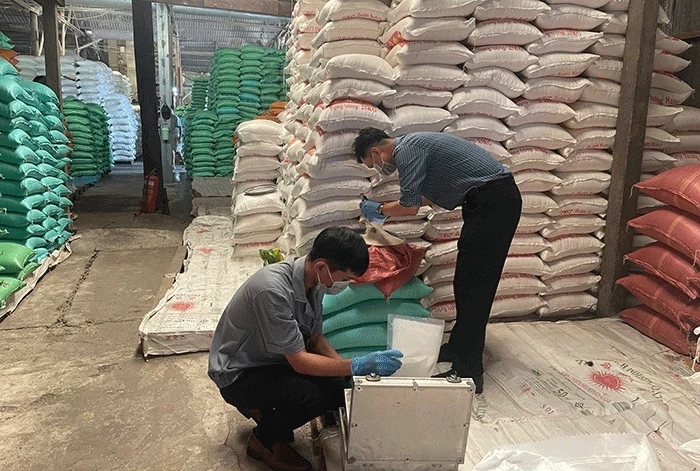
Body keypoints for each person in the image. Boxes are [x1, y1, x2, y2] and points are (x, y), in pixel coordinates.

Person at [208, 226, 404, 471]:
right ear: (322, 266)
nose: (343, 285)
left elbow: (316, 340)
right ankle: (261, 442)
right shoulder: (272, 290)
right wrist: (356, 364)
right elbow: (300, 361)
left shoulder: (314, 283)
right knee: (310, 398)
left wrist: (348, 375)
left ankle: (269, 415)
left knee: (338, 389)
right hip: (238, 373)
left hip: (271, 360)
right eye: (344, 278)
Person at [353, 129, 522, 395]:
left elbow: (410, 206)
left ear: (375, 151)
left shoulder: (406, 150)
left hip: (495, 202)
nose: (378, 168)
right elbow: (426, 197)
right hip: (487, 202)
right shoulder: (413, 146)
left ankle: (469, 370)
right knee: (465, 281)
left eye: (372, 163)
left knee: (477, 286)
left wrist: (380, 209)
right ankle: (458, 347)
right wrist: (384, 208)